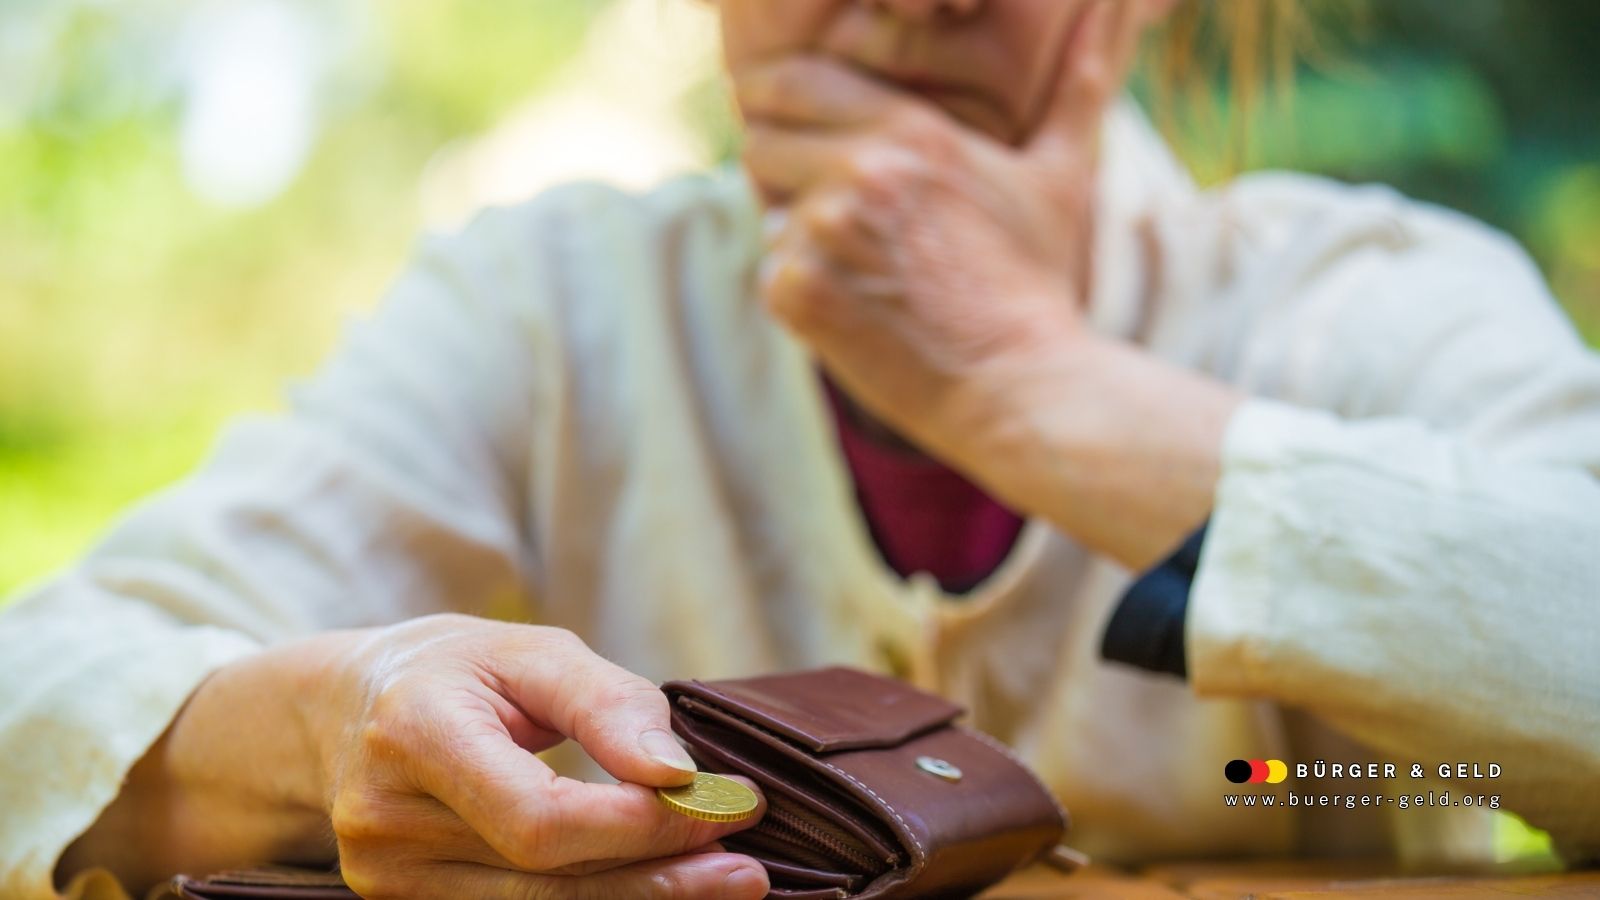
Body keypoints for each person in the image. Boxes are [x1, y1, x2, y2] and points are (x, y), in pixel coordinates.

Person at [5, 0, 1599, 897]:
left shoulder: (1372, 300)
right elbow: (40, 690)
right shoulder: (554, 309)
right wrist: (332, 724)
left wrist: (1023, 384)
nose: (918, 4)